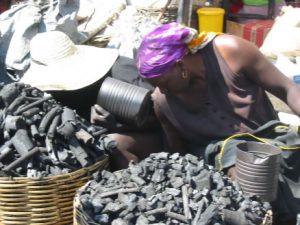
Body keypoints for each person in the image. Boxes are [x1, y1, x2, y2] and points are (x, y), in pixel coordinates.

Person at [135, 22, 300, 225]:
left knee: (261, 166)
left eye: (164, 84)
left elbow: (288, 89)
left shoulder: (231, 52)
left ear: (181, 66)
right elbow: (179, 156)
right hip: (218, 171)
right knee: (240, 163)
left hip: (269, 145)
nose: (163, 91)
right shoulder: (162, 102)